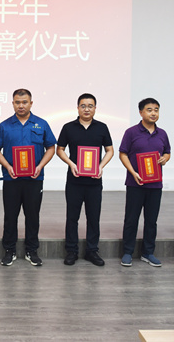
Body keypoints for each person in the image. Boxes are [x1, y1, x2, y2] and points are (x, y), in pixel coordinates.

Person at [0, 88, 56, 266]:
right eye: (17, 102)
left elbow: (51, 147)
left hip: (34, 179)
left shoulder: (41, 124)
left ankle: (31, 250)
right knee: (10, 216)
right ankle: (9, 250)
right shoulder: (4, 126)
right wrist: (8, 166)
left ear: (31, 103)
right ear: (13, 103)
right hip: (11, 179)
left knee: (33, 215)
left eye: (24, 102)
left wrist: (40, 166)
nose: (21, 105)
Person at [56, 93, 114, 266]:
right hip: (74, 180)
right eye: (83, 106)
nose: (86, 109)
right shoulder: (68, 127)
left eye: (90, 106)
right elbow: (60, 149)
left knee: (93, 217)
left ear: (95, 108)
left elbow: (110, 150)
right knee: (72, 217)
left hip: (94, 181)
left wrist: (101, 166)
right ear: (77, 108)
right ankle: (71, 251)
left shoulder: (102, 127)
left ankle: (92, 251)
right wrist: (71, 164)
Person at [119, 98, 171, 267]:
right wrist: (132, 172)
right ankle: (128, 252)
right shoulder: (131, 132)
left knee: (151, 220)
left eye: (156, 109)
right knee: (131, 219)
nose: (153, 113)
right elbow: (123, 154)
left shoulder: (162, 133)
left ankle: (148, 253)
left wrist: (165, 158)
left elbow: (167, 152)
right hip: (135, 183)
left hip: (155, 184)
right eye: (149, 110)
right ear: (141, 112)